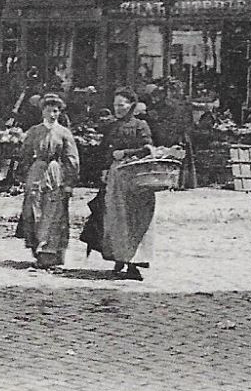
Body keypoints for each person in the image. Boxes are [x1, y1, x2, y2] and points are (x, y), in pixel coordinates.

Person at [81, 87, 155, 280]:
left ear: (132, 105)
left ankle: (134, 263)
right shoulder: (112, 127)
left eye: (121, 105)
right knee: (116, 218)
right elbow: (106, 151)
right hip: (116, 178)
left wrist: (126, 154)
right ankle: (119, 257)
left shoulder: (141, 125)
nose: (118, 109)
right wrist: (105, 170)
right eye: (115, 105)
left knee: (135, 219)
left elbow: (148, 149)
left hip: (137, 177)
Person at [14, 93, 79, 271]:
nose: (52, 114)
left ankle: (51, 252)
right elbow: (24, 155)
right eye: (49, 110)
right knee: (33, 209)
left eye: (56, 111)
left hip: (55, 171)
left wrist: (69, 181)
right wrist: (23, 174)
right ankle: (36, 248)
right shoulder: (34, 131)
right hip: (36, 172)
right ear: (42, 111)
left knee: (54, 212)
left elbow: (72, 159)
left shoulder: (64, 133)